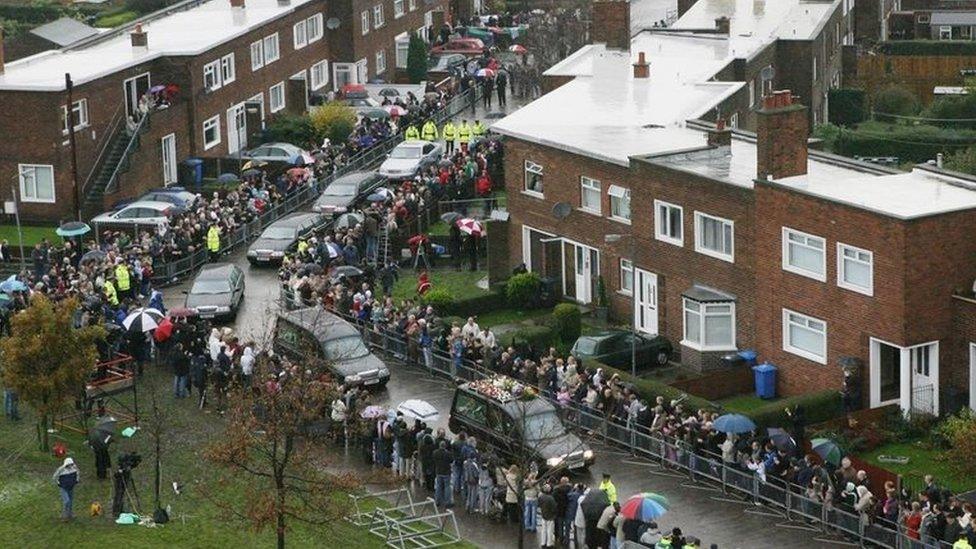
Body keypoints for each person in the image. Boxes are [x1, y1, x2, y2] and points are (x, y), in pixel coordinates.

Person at [433, 441, 453, 507]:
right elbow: (451, 460)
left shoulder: (435, 452)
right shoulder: (448, 453)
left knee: (438, 486)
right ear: (445, 446)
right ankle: (447, 502)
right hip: (446, 472)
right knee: (447, 487)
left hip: (438, 471)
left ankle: (437, 501)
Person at [538, 483, 558, 548]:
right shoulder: (551, 498)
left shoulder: (541, 497)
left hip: (544, 515)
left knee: (543, 530)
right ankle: (549, 543)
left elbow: (539, 505)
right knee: (550, 531)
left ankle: (543, 542)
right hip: (550, 516)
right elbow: (554, 508)